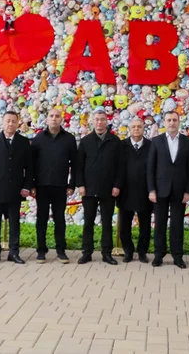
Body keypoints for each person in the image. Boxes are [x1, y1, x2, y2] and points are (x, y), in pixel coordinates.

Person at [147, 111, 189, 269]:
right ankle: (158, 255)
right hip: (160, 190)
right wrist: (151, 190)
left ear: (179, 122)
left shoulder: (188, 142)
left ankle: (178, 256)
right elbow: (150, 168)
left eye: (174, 120)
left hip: (179, 191)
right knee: (160, 224)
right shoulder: (156, 141)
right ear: (164, 122)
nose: (172, 123)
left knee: (177, 224)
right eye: (169, 120)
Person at [0, 111, 33, 264]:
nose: (10, 124)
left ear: (18, 123)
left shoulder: (24, 142)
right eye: (7, 121)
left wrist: (26, 187)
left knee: (14, 222)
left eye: (13, 121)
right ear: (2, 123)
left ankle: (14, 252)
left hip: (15, 190)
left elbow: (29, 167)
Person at [75, 108, 123, 265]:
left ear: (107, 121)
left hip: (108, 189)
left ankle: (106, 253)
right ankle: (87, 252)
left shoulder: (115, 141)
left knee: (107, 221)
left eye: (102, 119)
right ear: (92, 121)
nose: (99, 122)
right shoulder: (86, 141)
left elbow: (120, 166)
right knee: (88, 222)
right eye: (97, 119)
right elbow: (79, 166)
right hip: (89, 189)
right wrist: (80, 185)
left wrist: (117, 185)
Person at [31, 109, 77, 264]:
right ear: (47, 119)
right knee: (41, 219)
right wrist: (32, 184)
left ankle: (61, 250)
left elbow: (75, 164)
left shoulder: (69, 139)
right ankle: (41, 250)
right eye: (51, 116)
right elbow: (32, 164)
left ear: (61, 119)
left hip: (60, 186)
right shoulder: (38, 139)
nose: (54, 119)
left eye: (57, 116)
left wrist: (72, 184)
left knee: (60, 219)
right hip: (42, 186)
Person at [117, 117, 153, 263]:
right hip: (126, 191)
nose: (136, 129)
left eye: (139, 126)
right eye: (134, 127)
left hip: (145, 192)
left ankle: (142, 252)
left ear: (144, 128)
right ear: (129, 129)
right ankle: (128, 251)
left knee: (145, 226)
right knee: (125, 226)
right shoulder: (121, 146)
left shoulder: (151, 146)